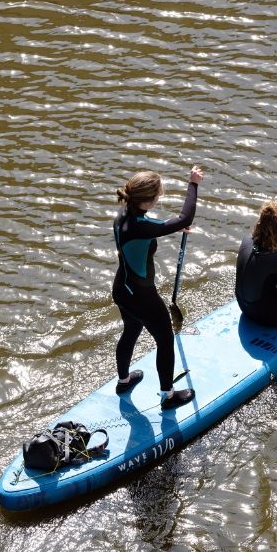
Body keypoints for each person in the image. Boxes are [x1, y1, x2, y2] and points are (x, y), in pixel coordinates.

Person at [112, 165, 204, 409]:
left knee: (131, 331)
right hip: (140, 295)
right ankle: (168, 395)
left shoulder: (124, 214)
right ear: (149, 200)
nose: (160, 197)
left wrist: (171, 226)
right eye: (159, 195)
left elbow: (152, 227)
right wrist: (193, 183)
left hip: (122, 288)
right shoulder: (141, 226)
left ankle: (123, 381)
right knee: (165, 339)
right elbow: (185, 218)